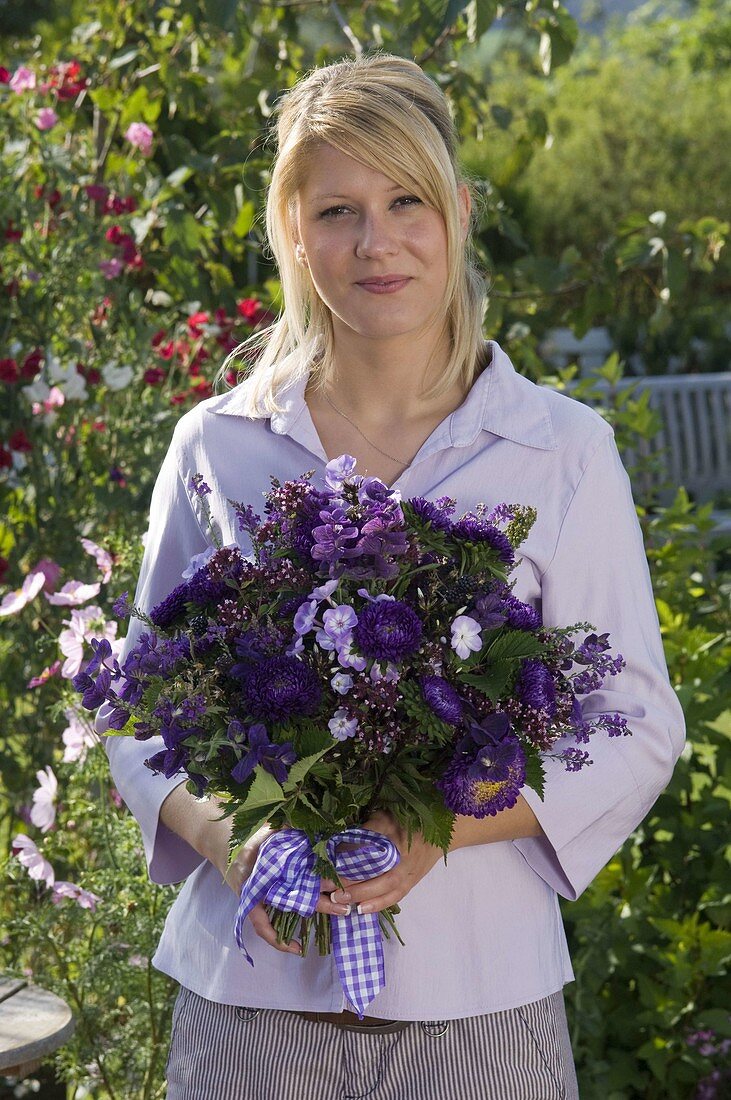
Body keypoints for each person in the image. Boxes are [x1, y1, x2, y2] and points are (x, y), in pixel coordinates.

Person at [94, 52, 685, 1100]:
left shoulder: (559, 449)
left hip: (483, 1003)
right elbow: (144, 707)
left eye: (404, 198)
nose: (376, 242)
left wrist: (437, 822)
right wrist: (237, 835)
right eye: (335, 210)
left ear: (455, 209)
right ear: (290, 233)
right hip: (250, 1002)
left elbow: (635, 721)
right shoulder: (217, 445)